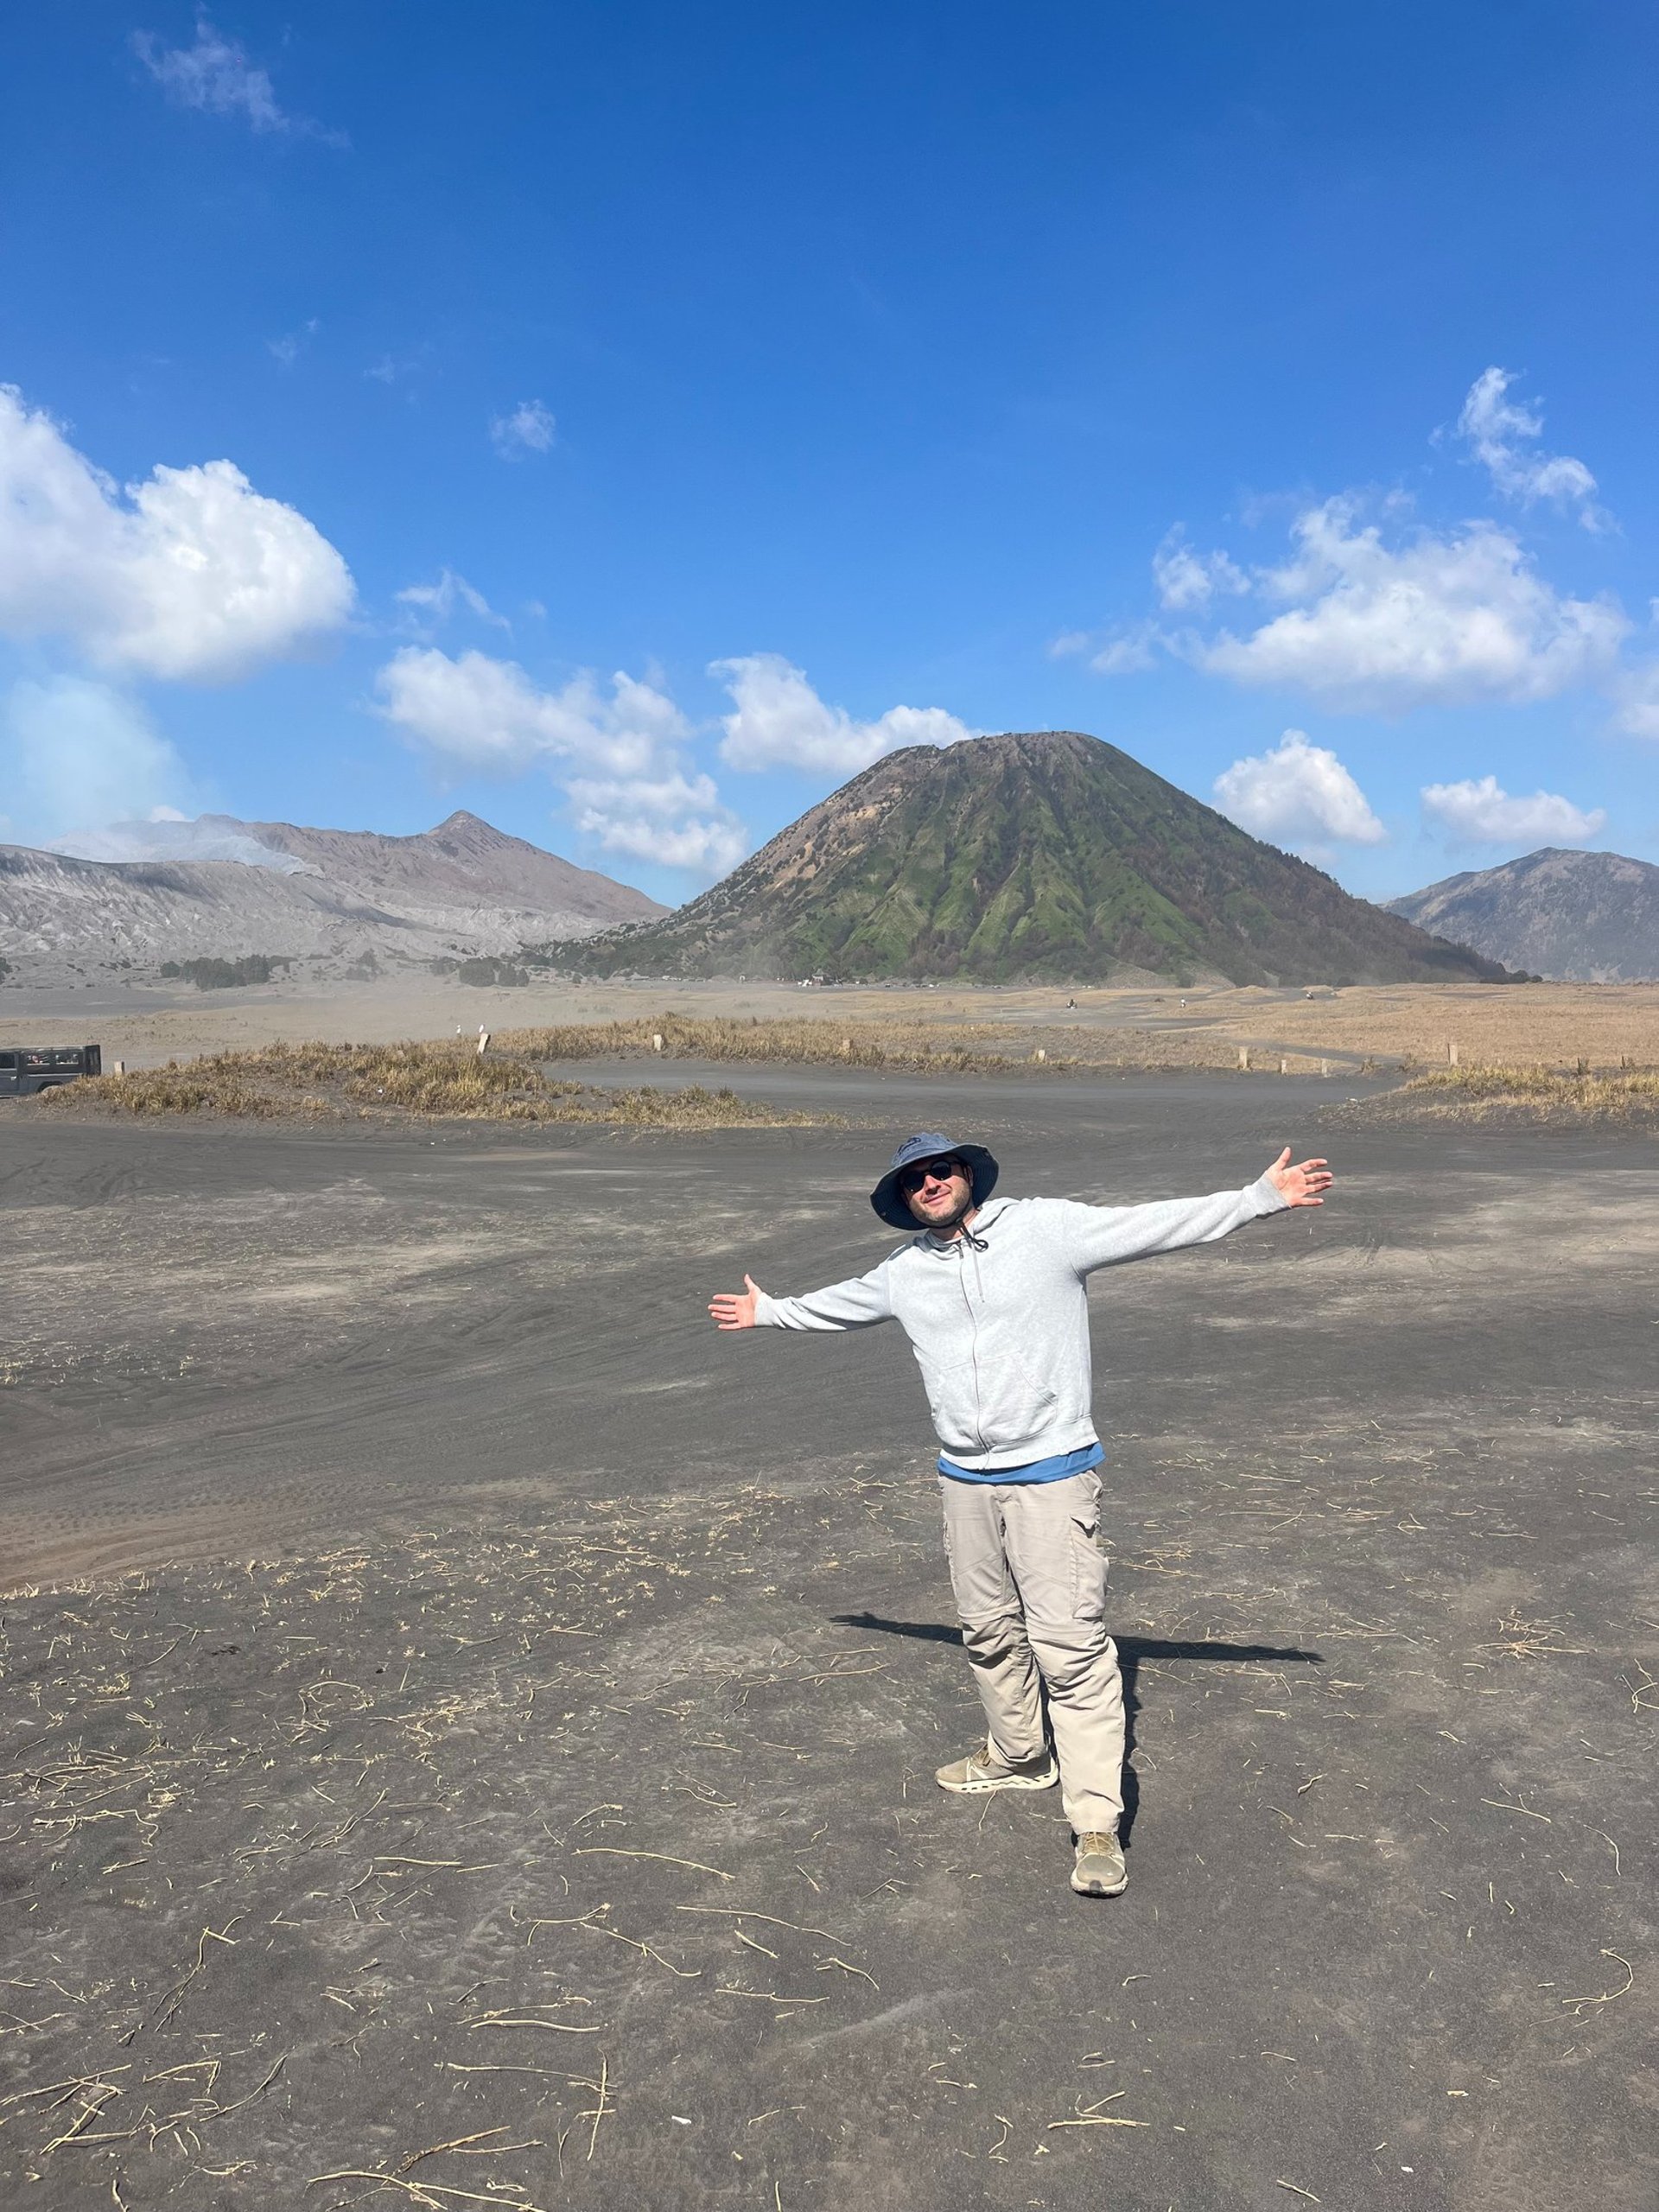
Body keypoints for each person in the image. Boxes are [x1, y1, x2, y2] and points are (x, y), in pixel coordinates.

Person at [708, 1130, 1333, 1897]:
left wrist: (1257, 1199)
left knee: (1069, 1648)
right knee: (986, 1629)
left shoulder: (1044, 1229)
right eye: (914, 1180)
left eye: (941, 1170)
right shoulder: (905, 1272)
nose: (930, 1184)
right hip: (963, 1481)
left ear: (967, 1174)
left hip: (1051, 1476)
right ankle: (1018, 1755)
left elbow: (1152, 1225)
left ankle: (1096, 1823)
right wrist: (771, 1311)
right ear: (903, 1199)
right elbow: (841, 1304)